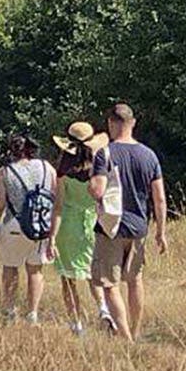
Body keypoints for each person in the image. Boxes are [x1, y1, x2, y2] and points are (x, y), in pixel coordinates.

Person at [91, 103, 166, 340]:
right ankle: (135, 330)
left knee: (110, 284)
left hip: (111, 228)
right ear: (132, 124)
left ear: (111, 124)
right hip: (138, 228)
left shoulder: (105, 153)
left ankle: (125, 338)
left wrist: (90, 184)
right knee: (135, 281)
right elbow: (160, 198)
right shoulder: (149, 155)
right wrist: (161, 232)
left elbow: (98, 190)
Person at [49, 121, 117, 335]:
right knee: (92, 274)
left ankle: (76, 324)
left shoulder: (63, 173)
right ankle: (103, 309)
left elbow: (58, 207)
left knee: (68, 278)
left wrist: (51, 237)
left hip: (68, 225)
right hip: (91, 223)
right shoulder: (97, 171)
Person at [0, 135, 56, 324]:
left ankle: (9, 311)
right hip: (40, 224)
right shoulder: (47, 168)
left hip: (14, 224)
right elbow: (54, 197)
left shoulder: (5, 172)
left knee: (10, 267)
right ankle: (32, 313)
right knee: (35, 270)